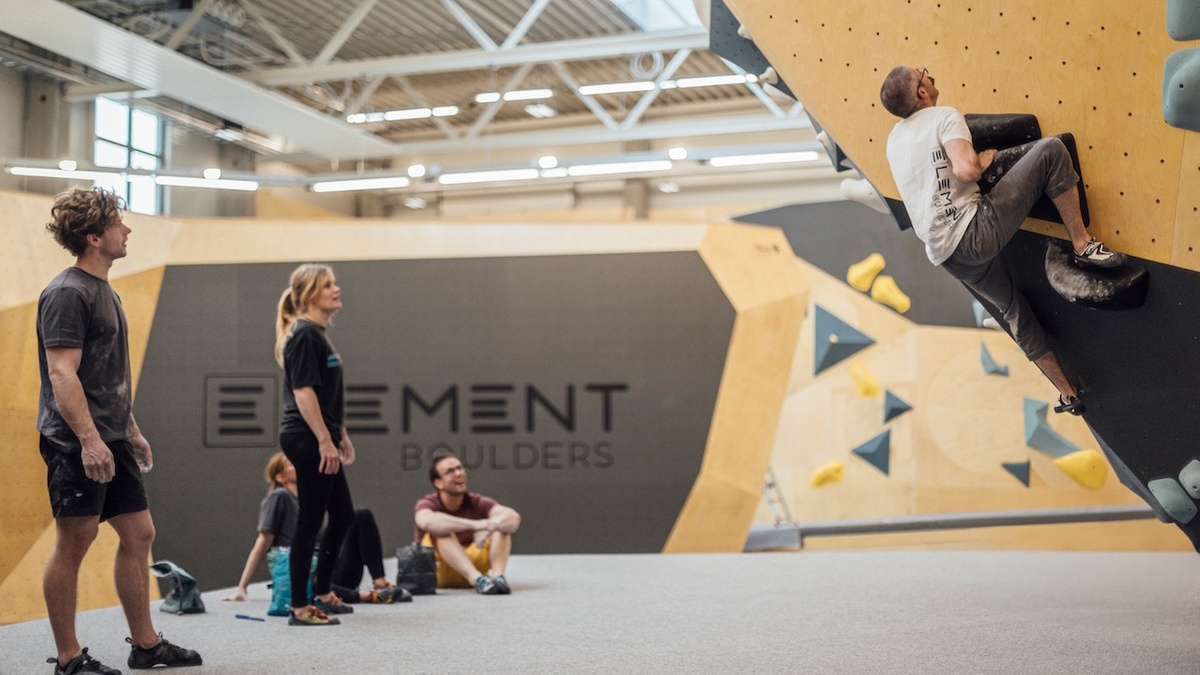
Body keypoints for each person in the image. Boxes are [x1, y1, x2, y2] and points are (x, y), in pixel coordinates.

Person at [879, 65, 1127, 415]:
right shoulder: (944, 117)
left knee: (1013, 310)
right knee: (1053, 151)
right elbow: (965, 171)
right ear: (922, 92)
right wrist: (982, 161)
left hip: (946, 257)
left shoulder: (894, 139)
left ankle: (1068, 393)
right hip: (974, 232)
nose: (931, 76)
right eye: (925, 73)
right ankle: (1083, 244)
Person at [37, 188, 202, 674]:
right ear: (94, 236)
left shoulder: (102, 289)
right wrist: (88, 439)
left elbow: (104, 374)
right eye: (117, 224)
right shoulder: (68, 292)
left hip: (110, 435)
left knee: (139, 533)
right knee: (75, 543)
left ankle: (146, 645)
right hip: (73, 441)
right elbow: (62, 374)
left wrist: (128, 429)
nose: (126, 230)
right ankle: (69, 659)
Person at [274, 263, 358, 626]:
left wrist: (340, 436)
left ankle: (323, 591)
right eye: (328, 285)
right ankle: (299, 607)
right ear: (310, 295)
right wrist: (325, 440)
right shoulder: (305, 335)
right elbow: (303, 393)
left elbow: (325, 396)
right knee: (310, 521)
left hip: (320, 436)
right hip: (307, 438)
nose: (336, 289)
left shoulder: (316, 334)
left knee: (342, 515)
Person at [221, 452, 410, 605]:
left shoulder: (310, 500)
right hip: (304, 573)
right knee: (314, 583)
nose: (300, 464)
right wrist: (242, 586)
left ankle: (379, 582)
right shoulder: (279, 496)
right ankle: (365, 596)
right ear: (280, 477)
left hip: (329, 571)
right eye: (291, 463)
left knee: (361, 514)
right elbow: (263, 542)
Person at [413, 449, 521, 595]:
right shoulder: (427, 503)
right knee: (442, 531)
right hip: (439, 572)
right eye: (450, 471)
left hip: (474, 564)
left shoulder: (476, 501)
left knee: (502, 527)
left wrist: (492, 525)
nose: (458, 474)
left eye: (459, 468)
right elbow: (426, 522)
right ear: (438, 483)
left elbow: (513, 517)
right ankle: (478, 581)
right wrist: (477, 525)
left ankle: (497, 578)